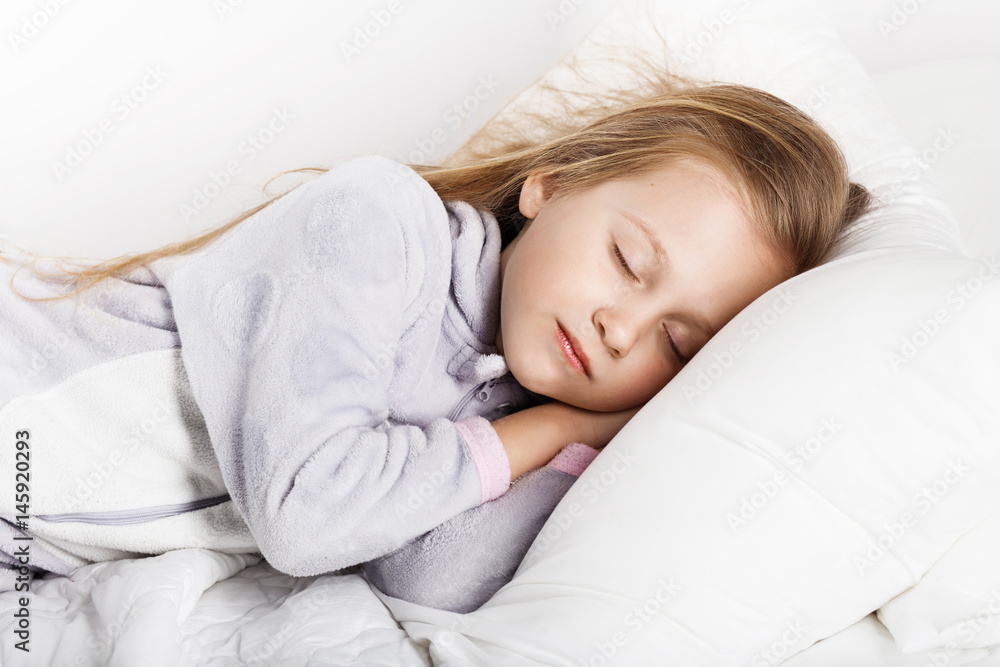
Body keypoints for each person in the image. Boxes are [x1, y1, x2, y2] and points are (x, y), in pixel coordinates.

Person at [0, 72, 871, 606]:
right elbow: (309, 518)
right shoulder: (382, 222)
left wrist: (572, 445)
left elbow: (431, 583)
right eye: (627, 259)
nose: (622, 327)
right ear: (551, 184)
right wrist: (558, 430)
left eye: (677, 347)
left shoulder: (500, 413)